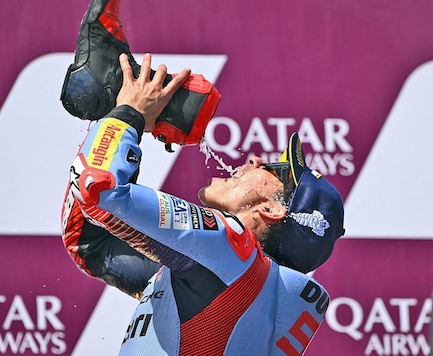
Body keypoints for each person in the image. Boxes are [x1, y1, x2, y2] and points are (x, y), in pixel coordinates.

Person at [60, 1, 345, 355]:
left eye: (274, 171)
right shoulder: (233, 283)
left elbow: (97, 189)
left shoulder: (232, 250)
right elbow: (91, 244)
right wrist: (116, 121)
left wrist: (128, 114)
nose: (256, 160)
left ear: (272, 209)